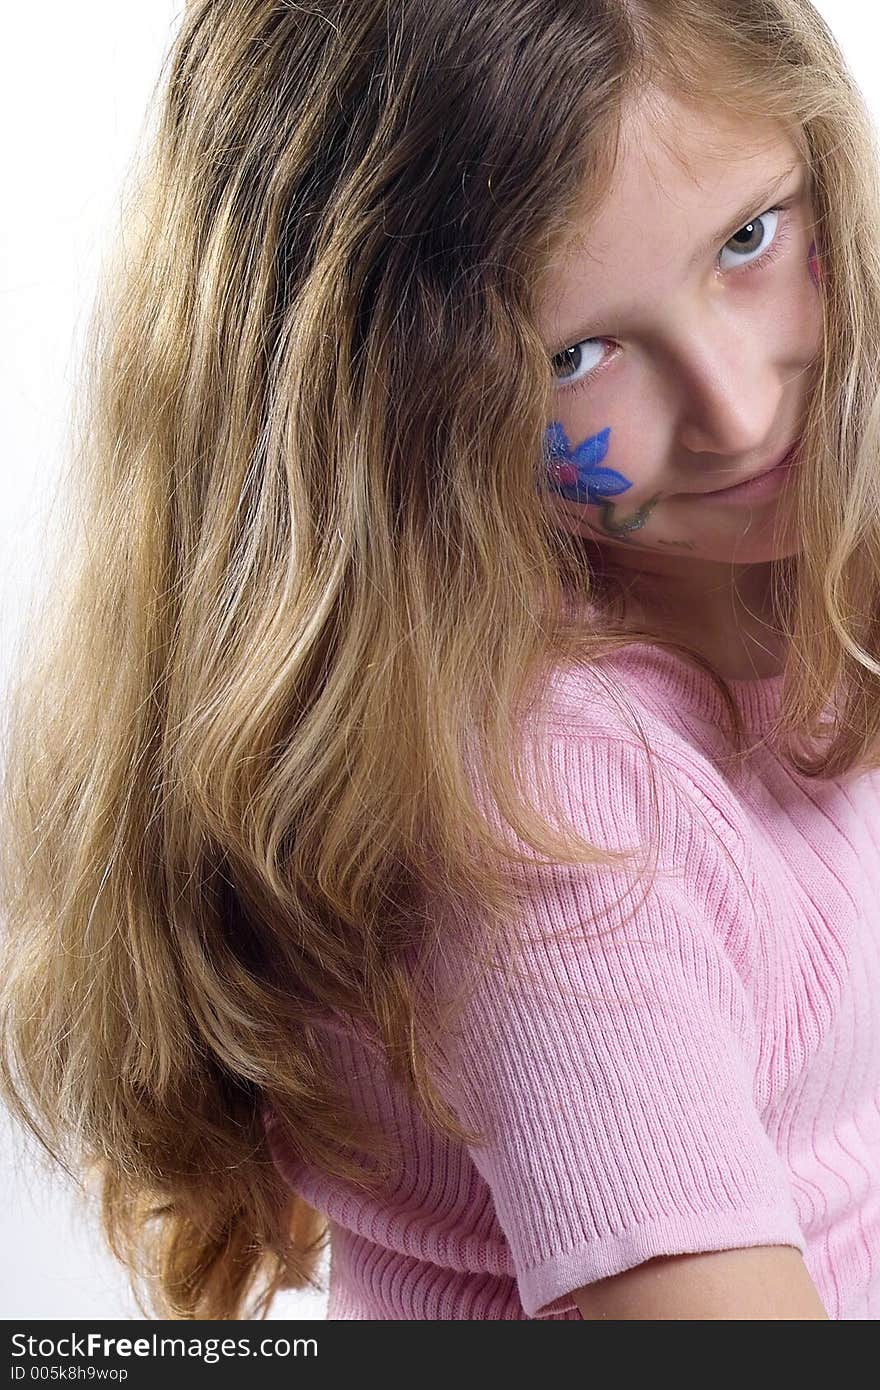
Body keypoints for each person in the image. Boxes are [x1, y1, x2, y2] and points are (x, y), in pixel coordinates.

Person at [1, 0, 879, 1322]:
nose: (739, 405)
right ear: (391, 412)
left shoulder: (736, 565)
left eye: (748, 239)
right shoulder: (565, 827)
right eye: (576, 353)